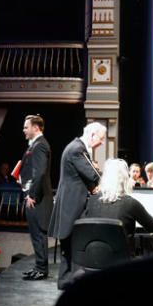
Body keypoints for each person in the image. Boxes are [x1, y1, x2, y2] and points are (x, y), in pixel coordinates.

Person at [49, 122, 106, 289]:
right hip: (71, 205)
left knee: (71, 245)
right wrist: (105, 174)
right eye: (101, 139)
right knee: (72, 244)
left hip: (72, 203)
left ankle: (68, 281)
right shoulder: (77, 149)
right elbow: (91, 175)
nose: (101, 143)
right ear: (92, 135)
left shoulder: (78, 148)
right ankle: (69, 281)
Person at [81, 159, 153, 252]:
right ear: (125, 179)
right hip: (122, 263)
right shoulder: (131, 204)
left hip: (93, 259)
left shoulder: (92, 200)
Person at [20, 115, 53, 281]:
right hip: (34, 196)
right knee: (36, 234)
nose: (24, 130)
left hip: (38, 198)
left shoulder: (40, 146)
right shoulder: (36, 145)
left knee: (39, 234)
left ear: (36, 128)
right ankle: (38, 267)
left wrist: (31, 195)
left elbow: (39, 173)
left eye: (26, 127)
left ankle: (41, 269)